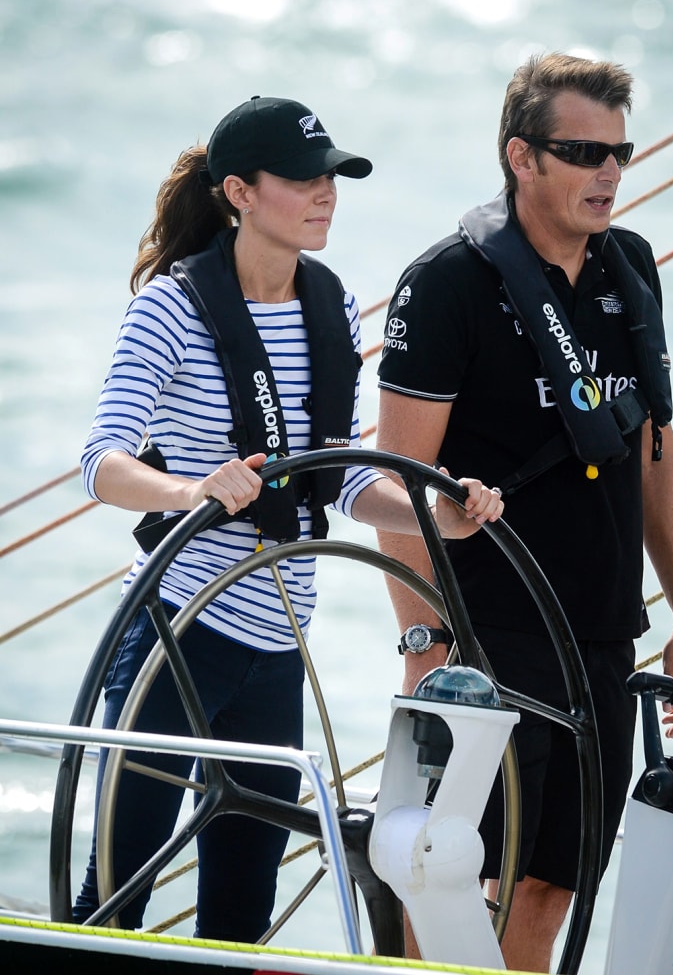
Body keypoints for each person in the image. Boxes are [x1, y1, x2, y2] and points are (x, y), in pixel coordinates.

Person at [72, 95, 504, 943]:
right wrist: (189, 489)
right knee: (118, 892)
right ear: (237, 191)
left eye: (332, 178)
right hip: (177, 634)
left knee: (242, 913)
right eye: (303, 179)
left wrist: (445, 516)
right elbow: (102, 463)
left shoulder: (332, 307)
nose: (325, 194)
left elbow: (341, 487)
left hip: (277, 650)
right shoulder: (172, 307)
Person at [375, 53, 673, 973]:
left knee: (555, 880)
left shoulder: (629, 267)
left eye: (620, 152)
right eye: (582, 151)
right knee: (445, 867)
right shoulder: (445, 284)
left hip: (600, 632)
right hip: (485, 633)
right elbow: (396, 485)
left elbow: (654, 452)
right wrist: (422, 647)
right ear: (521, 157)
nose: (608, 172)